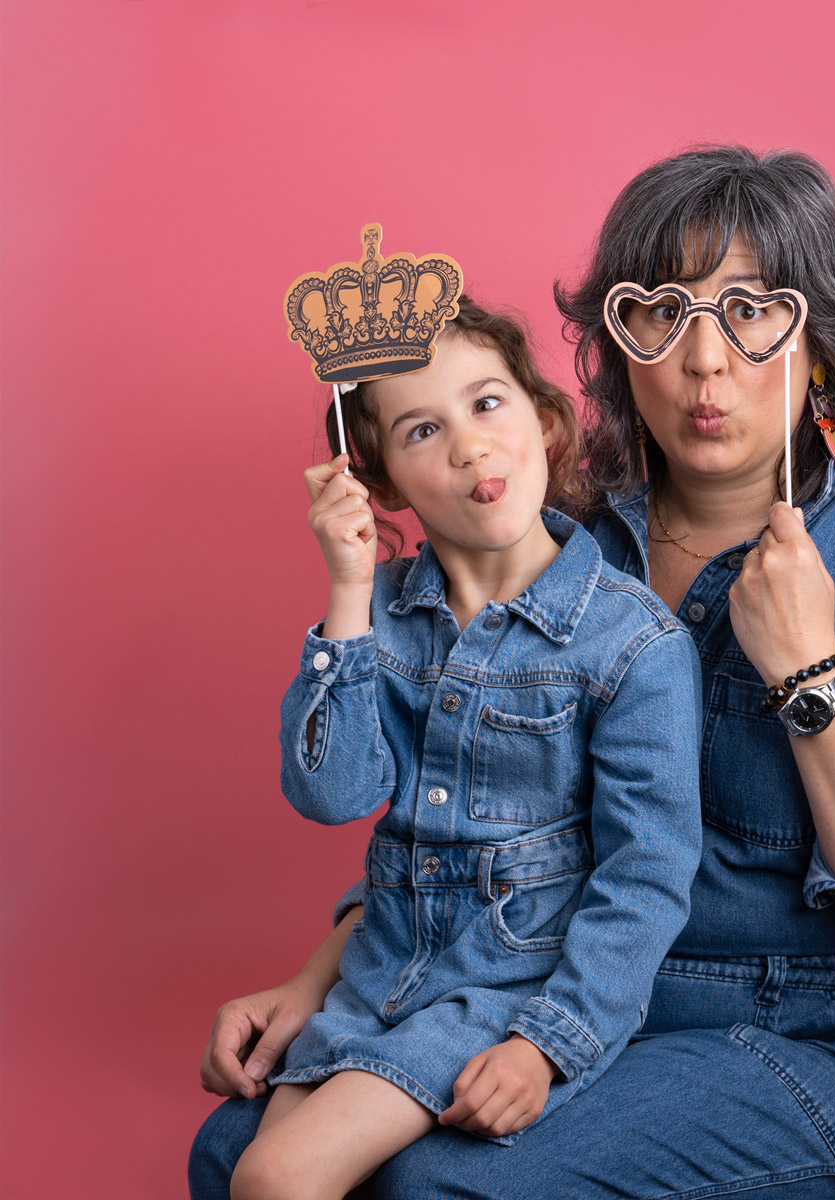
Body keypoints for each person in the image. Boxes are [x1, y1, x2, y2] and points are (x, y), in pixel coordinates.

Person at [191, 147, 835, 1199]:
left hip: (812, 1034)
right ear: (616, 347)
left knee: (439, 1187)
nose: (704, 362)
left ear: (818, 340)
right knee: (234, 1159)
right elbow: (474, 820)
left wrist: (810, 675)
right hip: (546, 990)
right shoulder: (561, 548)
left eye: (751, 311)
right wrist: (320, 983)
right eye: (662, 314)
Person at [225, 297, 703, 1200]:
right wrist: (349, 592)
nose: (469, 446)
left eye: (487, 404)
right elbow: (332, 793)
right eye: (422, 429)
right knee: (246, 1172)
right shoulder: (386, 622)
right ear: (384, 483)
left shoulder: (631, 645)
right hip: (376, 987)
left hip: (502, 997)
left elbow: (645, 879)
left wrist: (546, 1045)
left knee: (278, 1182)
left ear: (544, 420)